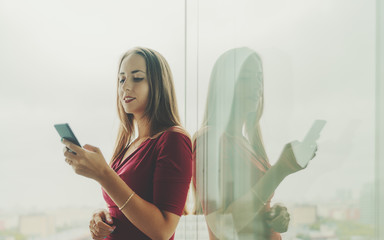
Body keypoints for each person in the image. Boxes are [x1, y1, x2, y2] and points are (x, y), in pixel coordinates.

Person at [61, 47, 192, 240]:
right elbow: (123, 210)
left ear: (159, 85)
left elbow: (163, 230)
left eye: (137, 78)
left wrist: (104, 174)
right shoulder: (130, 146)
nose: (125, 87)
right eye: (121, 79)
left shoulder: (174, 140)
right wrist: (103, 217)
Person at [192, 47, 318, 239]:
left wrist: (274, 214)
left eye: (259, 78)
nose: (256, 87)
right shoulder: (209, 140)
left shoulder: (248, 145)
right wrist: (280, 170)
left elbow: (251, 208)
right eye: (245, 78)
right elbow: (221, 226)